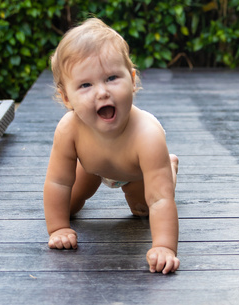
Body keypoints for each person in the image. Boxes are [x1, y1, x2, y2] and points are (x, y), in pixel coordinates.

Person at [44, 18, 180, 274]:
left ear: (131, 79)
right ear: (66, 98)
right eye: (85, 85)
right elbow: (57, 182)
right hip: (92, 167)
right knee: (68, 206)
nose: (102, 92)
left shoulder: (147, 135)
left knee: (144, 208)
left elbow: (161, 200)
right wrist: (58, 228)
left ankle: (168, 168)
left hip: (137, 171)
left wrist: (164, 247)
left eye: (111, 78)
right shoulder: (69, 129)